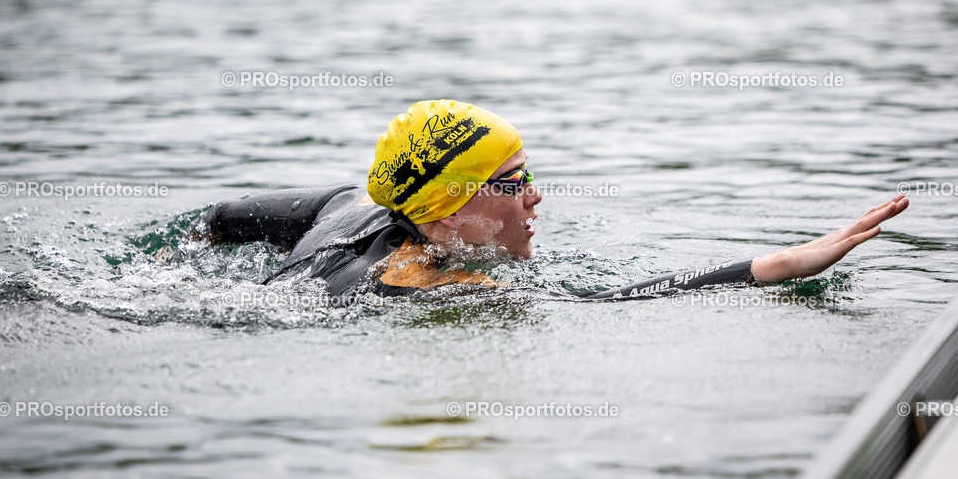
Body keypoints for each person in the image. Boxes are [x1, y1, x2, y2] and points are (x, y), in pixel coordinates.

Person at [192, 99, 909, 300]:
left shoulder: (346, 201)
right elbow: (608, 303)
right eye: (513, 181)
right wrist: (779, 264)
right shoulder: (411, 279)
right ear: (447, 209)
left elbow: (219, 219)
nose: (536, 195)